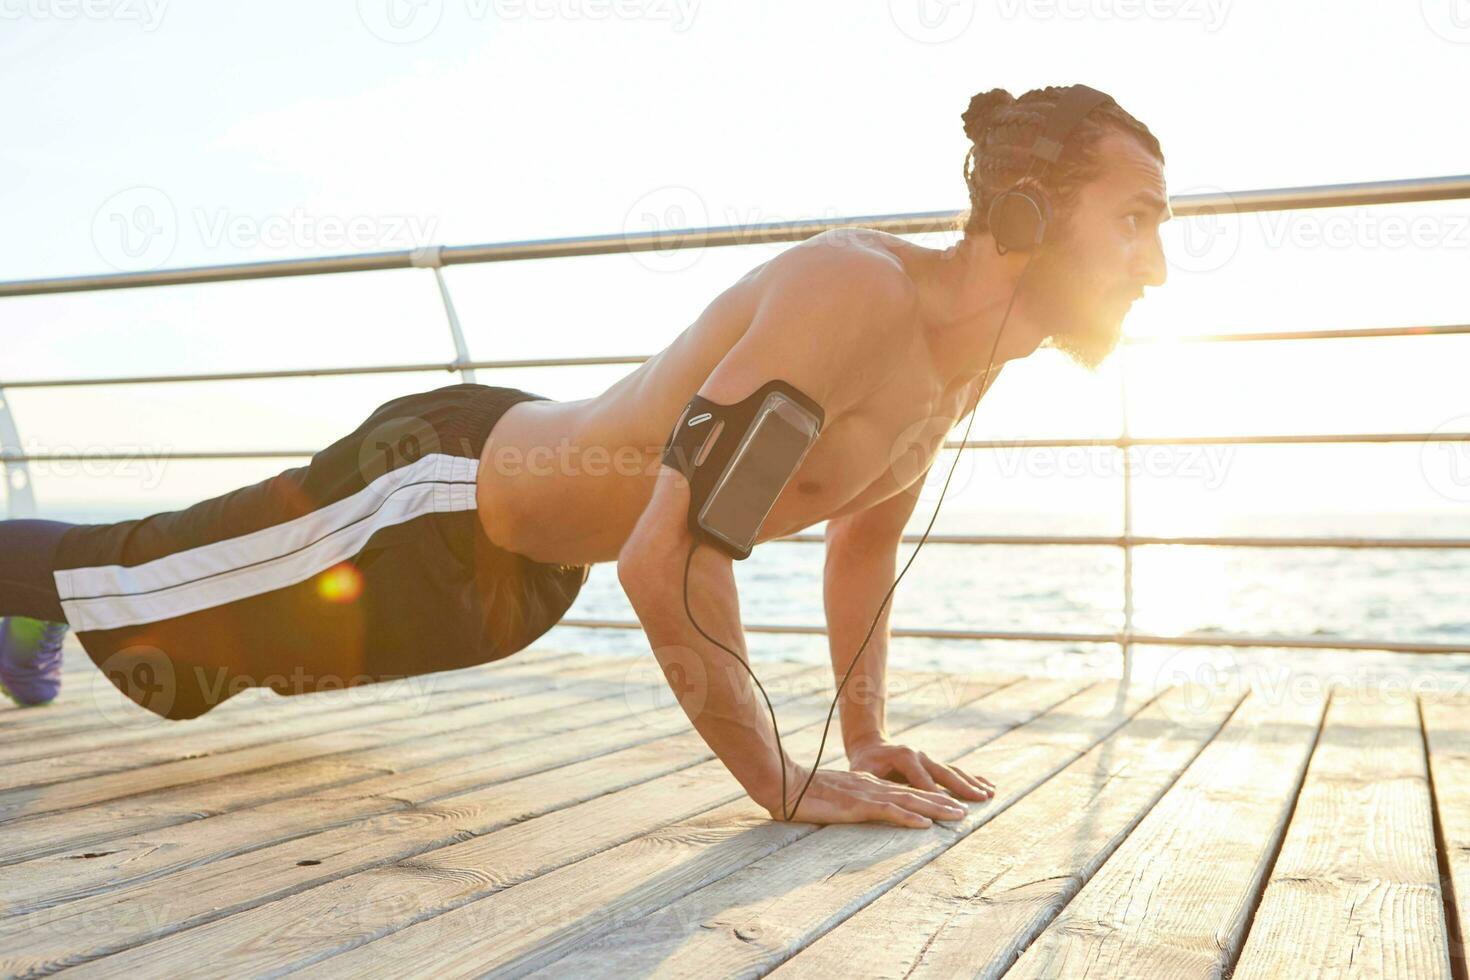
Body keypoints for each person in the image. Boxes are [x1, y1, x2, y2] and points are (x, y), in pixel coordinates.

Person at [0, 84, 1169, 828]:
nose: (1155, 264)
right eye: (1135, 218)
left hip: (513, 589)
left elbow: (864, 540)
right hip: (433, 489)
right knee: (133, 572)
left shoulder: (967, 365)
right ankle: (30, 593)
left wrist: (863, 734)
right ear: (1023, 213)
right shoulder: (852, 292)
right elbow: (667, 560)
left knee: (193, 658)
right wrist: (779, 776)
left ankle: (35, 617)